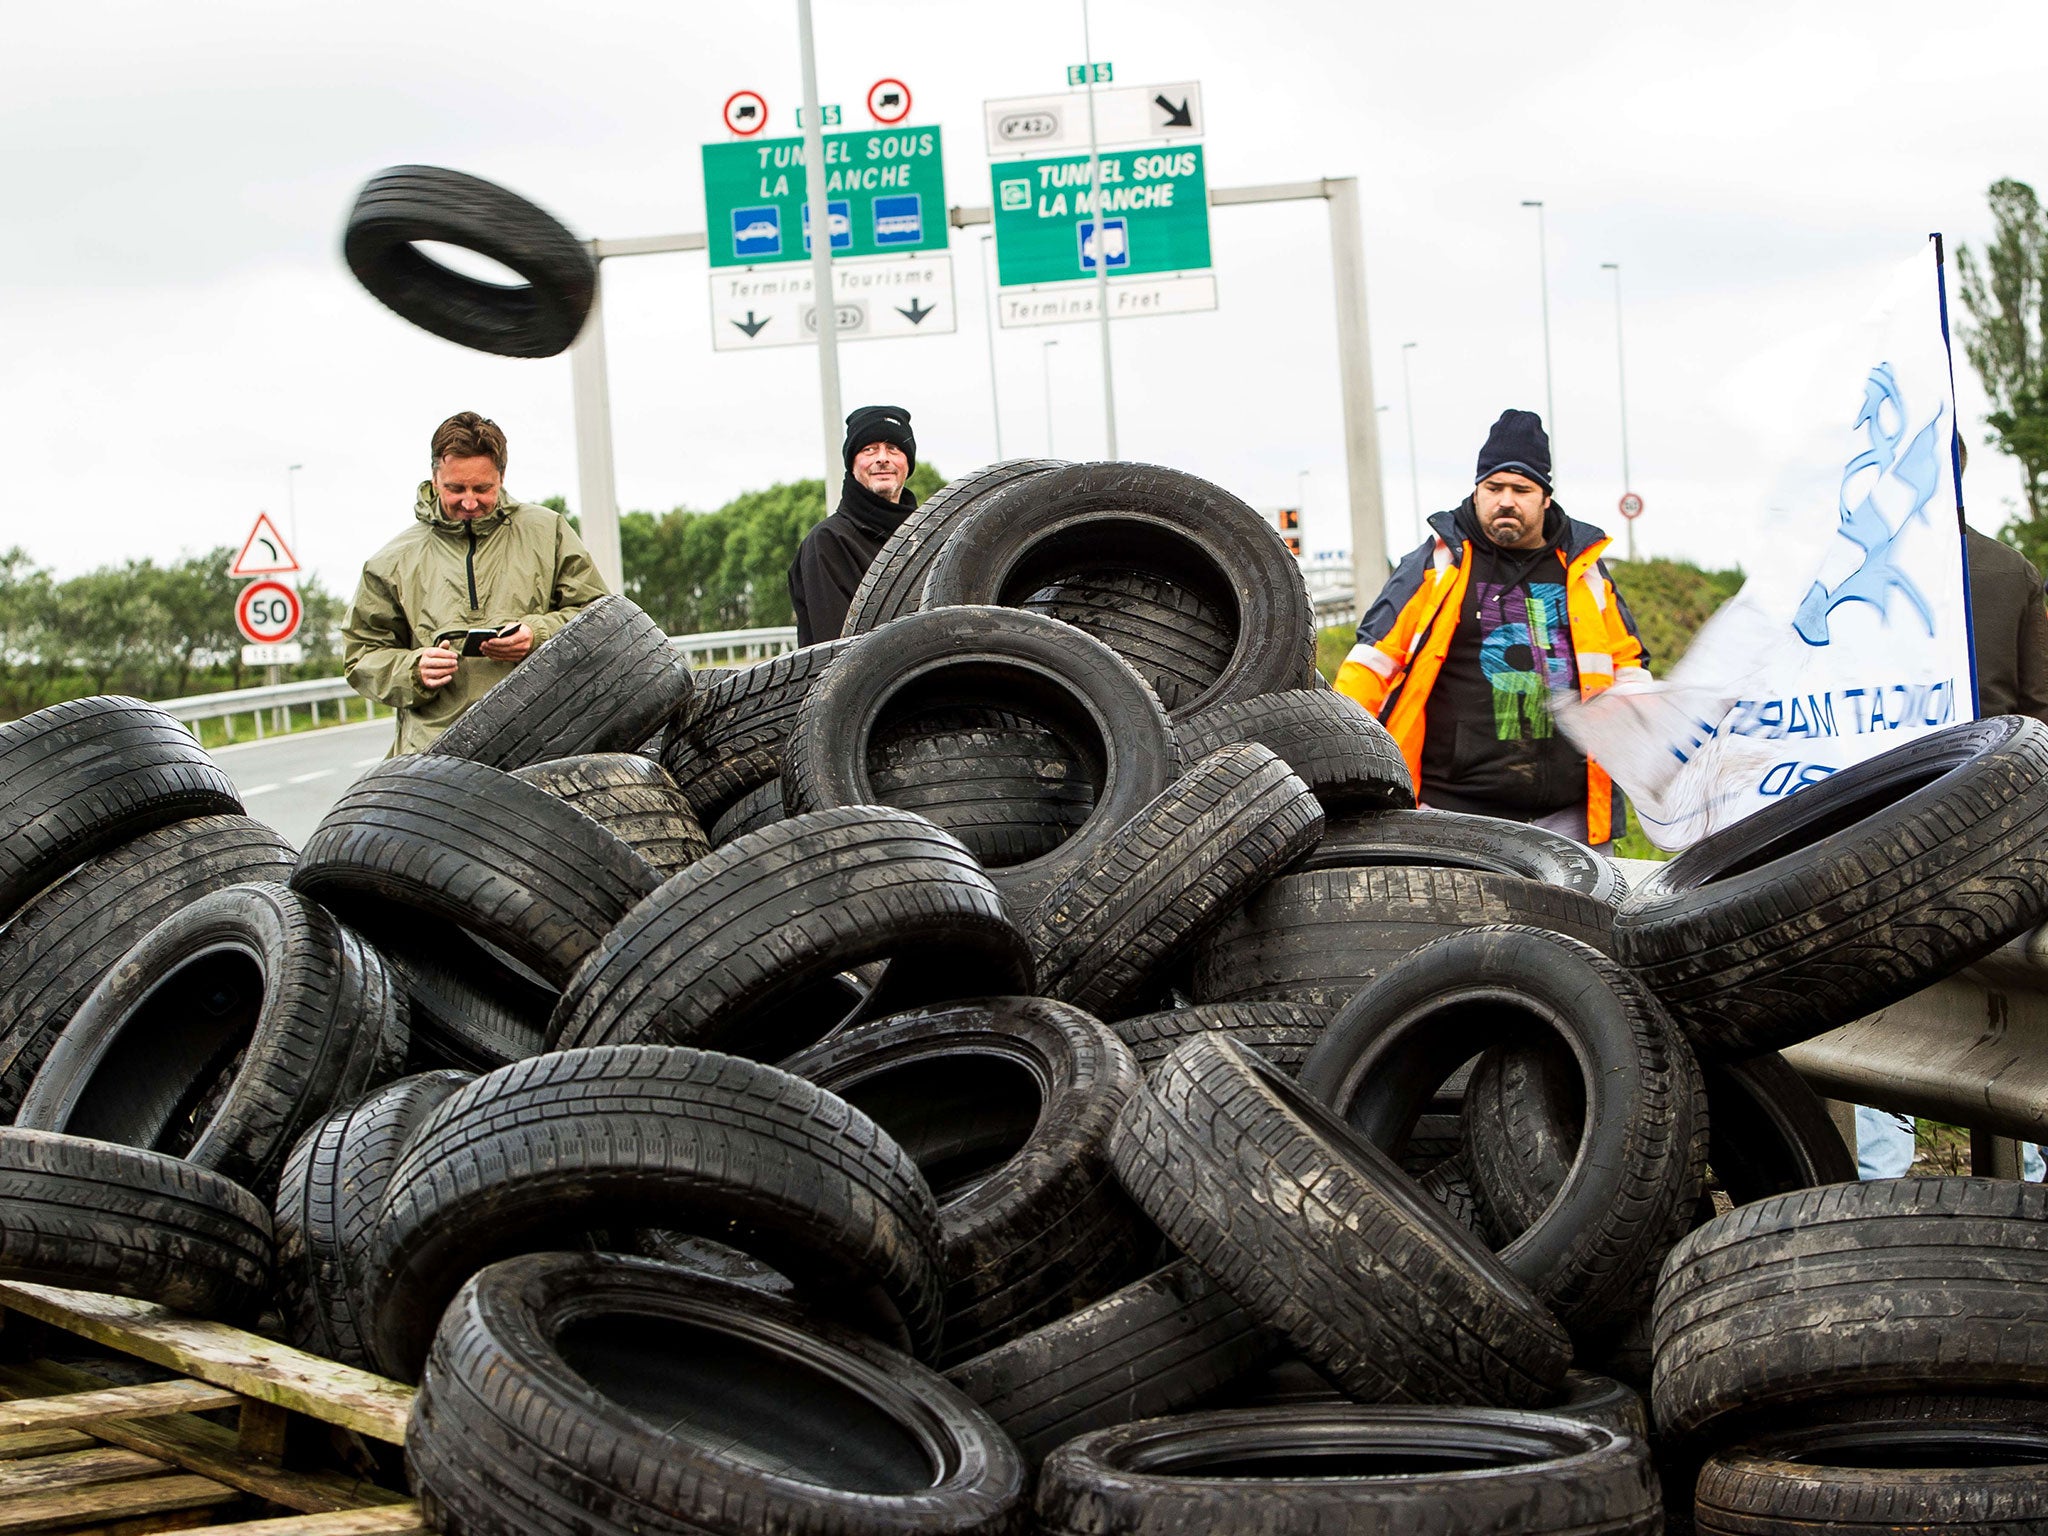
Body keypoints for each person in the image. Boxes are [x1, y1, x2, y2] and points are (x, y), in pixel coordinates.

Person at [1858, 443, 2048, 1180]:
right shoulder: (2011, 571)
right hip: (1996, 820)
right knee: (2016, 989)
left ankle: (1883, 1179)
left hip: (1888, 820)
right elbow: (2038, 712)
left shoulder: (1859, 576)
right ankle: (2031, 1174)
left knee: (1877, 984)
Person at [1333, 409, 1648, 850]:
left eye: (1521, 489)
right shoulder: (1438, 564)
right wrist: (1336, 755)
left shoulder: (1584, 571)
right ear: (1477, 492)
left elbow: (1628, 665)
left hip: (1571, 818)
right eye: (1493, 487)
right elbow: (1370, 664)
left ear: (1545, 498)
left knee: (1582, 922)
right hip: (1452, 814)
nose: (1505, 500)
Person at [342, 411, 609, 755]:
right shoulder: (391, 561)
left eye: (482, 488)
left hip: (541, 743)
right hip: (435, 756)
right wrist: (412, 669)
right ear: (435, 478)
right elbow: (361, 655)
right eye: (455, 488)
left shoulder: (548, 532)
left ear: (501, 477)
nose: (469, 501)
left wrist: (537, 635)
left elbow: (600, 618)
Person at [788, 405, 918, 646]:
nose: (882, 458)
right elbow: (838, 653)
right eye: (869, 449)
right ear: (852, 463)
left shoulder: (928, 537)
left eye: (893, 448)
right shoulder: (827, 543)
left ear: (907, 463)